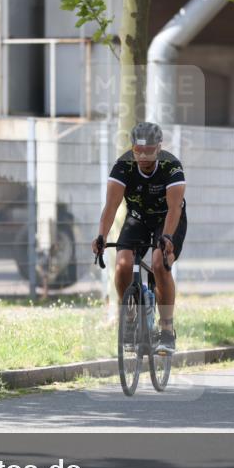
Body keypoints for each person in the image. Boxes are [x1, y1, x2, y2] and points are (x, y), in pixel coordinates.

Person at [92, 122, 187, 354]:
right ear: (132, 148)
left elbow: (174, 208)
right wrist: (101, 236)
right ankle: (130, 319)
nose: (143, 156)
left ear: (159, 147)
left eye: (150, 151)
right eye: (138, 151)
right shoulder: (123, 166)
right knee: (123, 264)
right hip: (138, 218)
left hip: (167, 220)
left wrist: (166, 238)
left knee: (158, 264)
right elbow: (111, 206)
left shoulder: (171, 166)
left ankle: (166, 330)